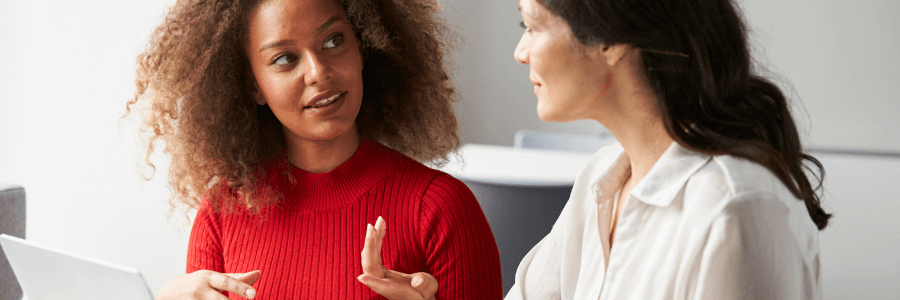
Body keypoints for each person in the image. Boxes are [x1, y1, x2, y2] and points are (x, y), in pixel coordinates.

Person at [364, 0, 831, 298]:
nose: (520, 51)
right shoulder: (604, 177)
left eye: (531, 26)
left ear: (608, 39)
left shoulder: (734, 211)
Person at [127, 0, 503, 298]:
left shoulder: (439, 207)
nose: (319, 71)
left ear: (363, 48)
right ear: (254, 86)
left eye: (334, 40)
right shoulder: (221, 214)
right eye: (285, 58)